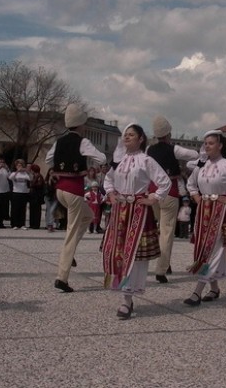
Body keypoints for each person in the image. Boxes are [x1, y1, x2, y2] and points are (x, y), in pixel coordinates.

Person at [102, 124, 171, 319]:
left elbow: (164, 181)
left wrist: (153, 198)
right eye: (125, 135)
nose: (127, 138)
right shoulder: (119, 160)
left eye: (131, 135)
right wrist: (111, 194)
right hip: (120, 212)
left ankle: (127, 298)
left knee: (136, 255)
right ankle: (125, 294)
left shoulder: (146, 160)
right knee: (119, 251)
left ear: (141, 138)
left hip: (138, 211)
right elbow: (108, 179)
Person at [183, 130, 226, 306]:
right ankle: (214, 288)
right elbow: (190, 184)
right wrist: (197, 197)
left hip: (221, 211)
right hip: (204, 211)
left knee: (213, 249)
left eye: (211, 143)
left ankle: (197, 291)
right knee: (203, 247)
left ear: (220, 145)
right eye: (205, 143)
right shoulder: (202, 166)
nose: (207, 146)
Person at [45, 104, 106, 292]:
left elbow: (49, 160)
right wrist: (88, 161)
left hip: (60, 191)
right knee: (71, 234)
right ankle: (62, 277)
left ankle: (69, 255)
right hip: (74, 192)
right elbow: (102, 159)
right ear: (81, 123)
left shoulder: (59, 141)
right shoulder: (83, 142)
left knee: (87, 217)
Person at [146, 116, 199, 283]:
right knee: (167, 231)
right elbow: (194, 154)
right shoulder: (173, 149)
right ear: (168, 133)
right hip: (169, 192)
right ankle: (161, 268)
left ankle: (165, 261)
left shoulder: (149, 150)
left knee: (160, 228)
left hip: (153, 192)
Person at [9, 159, 31, 230]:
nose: (20, 166)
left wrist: (27, 171)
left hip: (24, 193)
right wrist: (17, 171)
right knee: (15, 209)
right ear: (16, 166)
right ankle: (14, 224)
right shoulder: (14, 173)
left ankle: (22, 224)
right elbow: (10, 178)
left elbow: (30, 178)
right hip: (16, 192)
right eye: (18, 165)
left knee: (22, 209)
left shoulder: (25, 174)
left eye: (21, 165)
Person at [28, 164, 45, 230]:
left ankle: (36, 224)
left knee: (37, 210)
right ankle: (32, 224)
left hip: (37, 195)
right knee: (32, 209)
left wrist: (33, 183)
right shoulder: (33, 176)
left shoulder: (39, 176)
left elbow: (40, 184)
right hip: (32, 195)